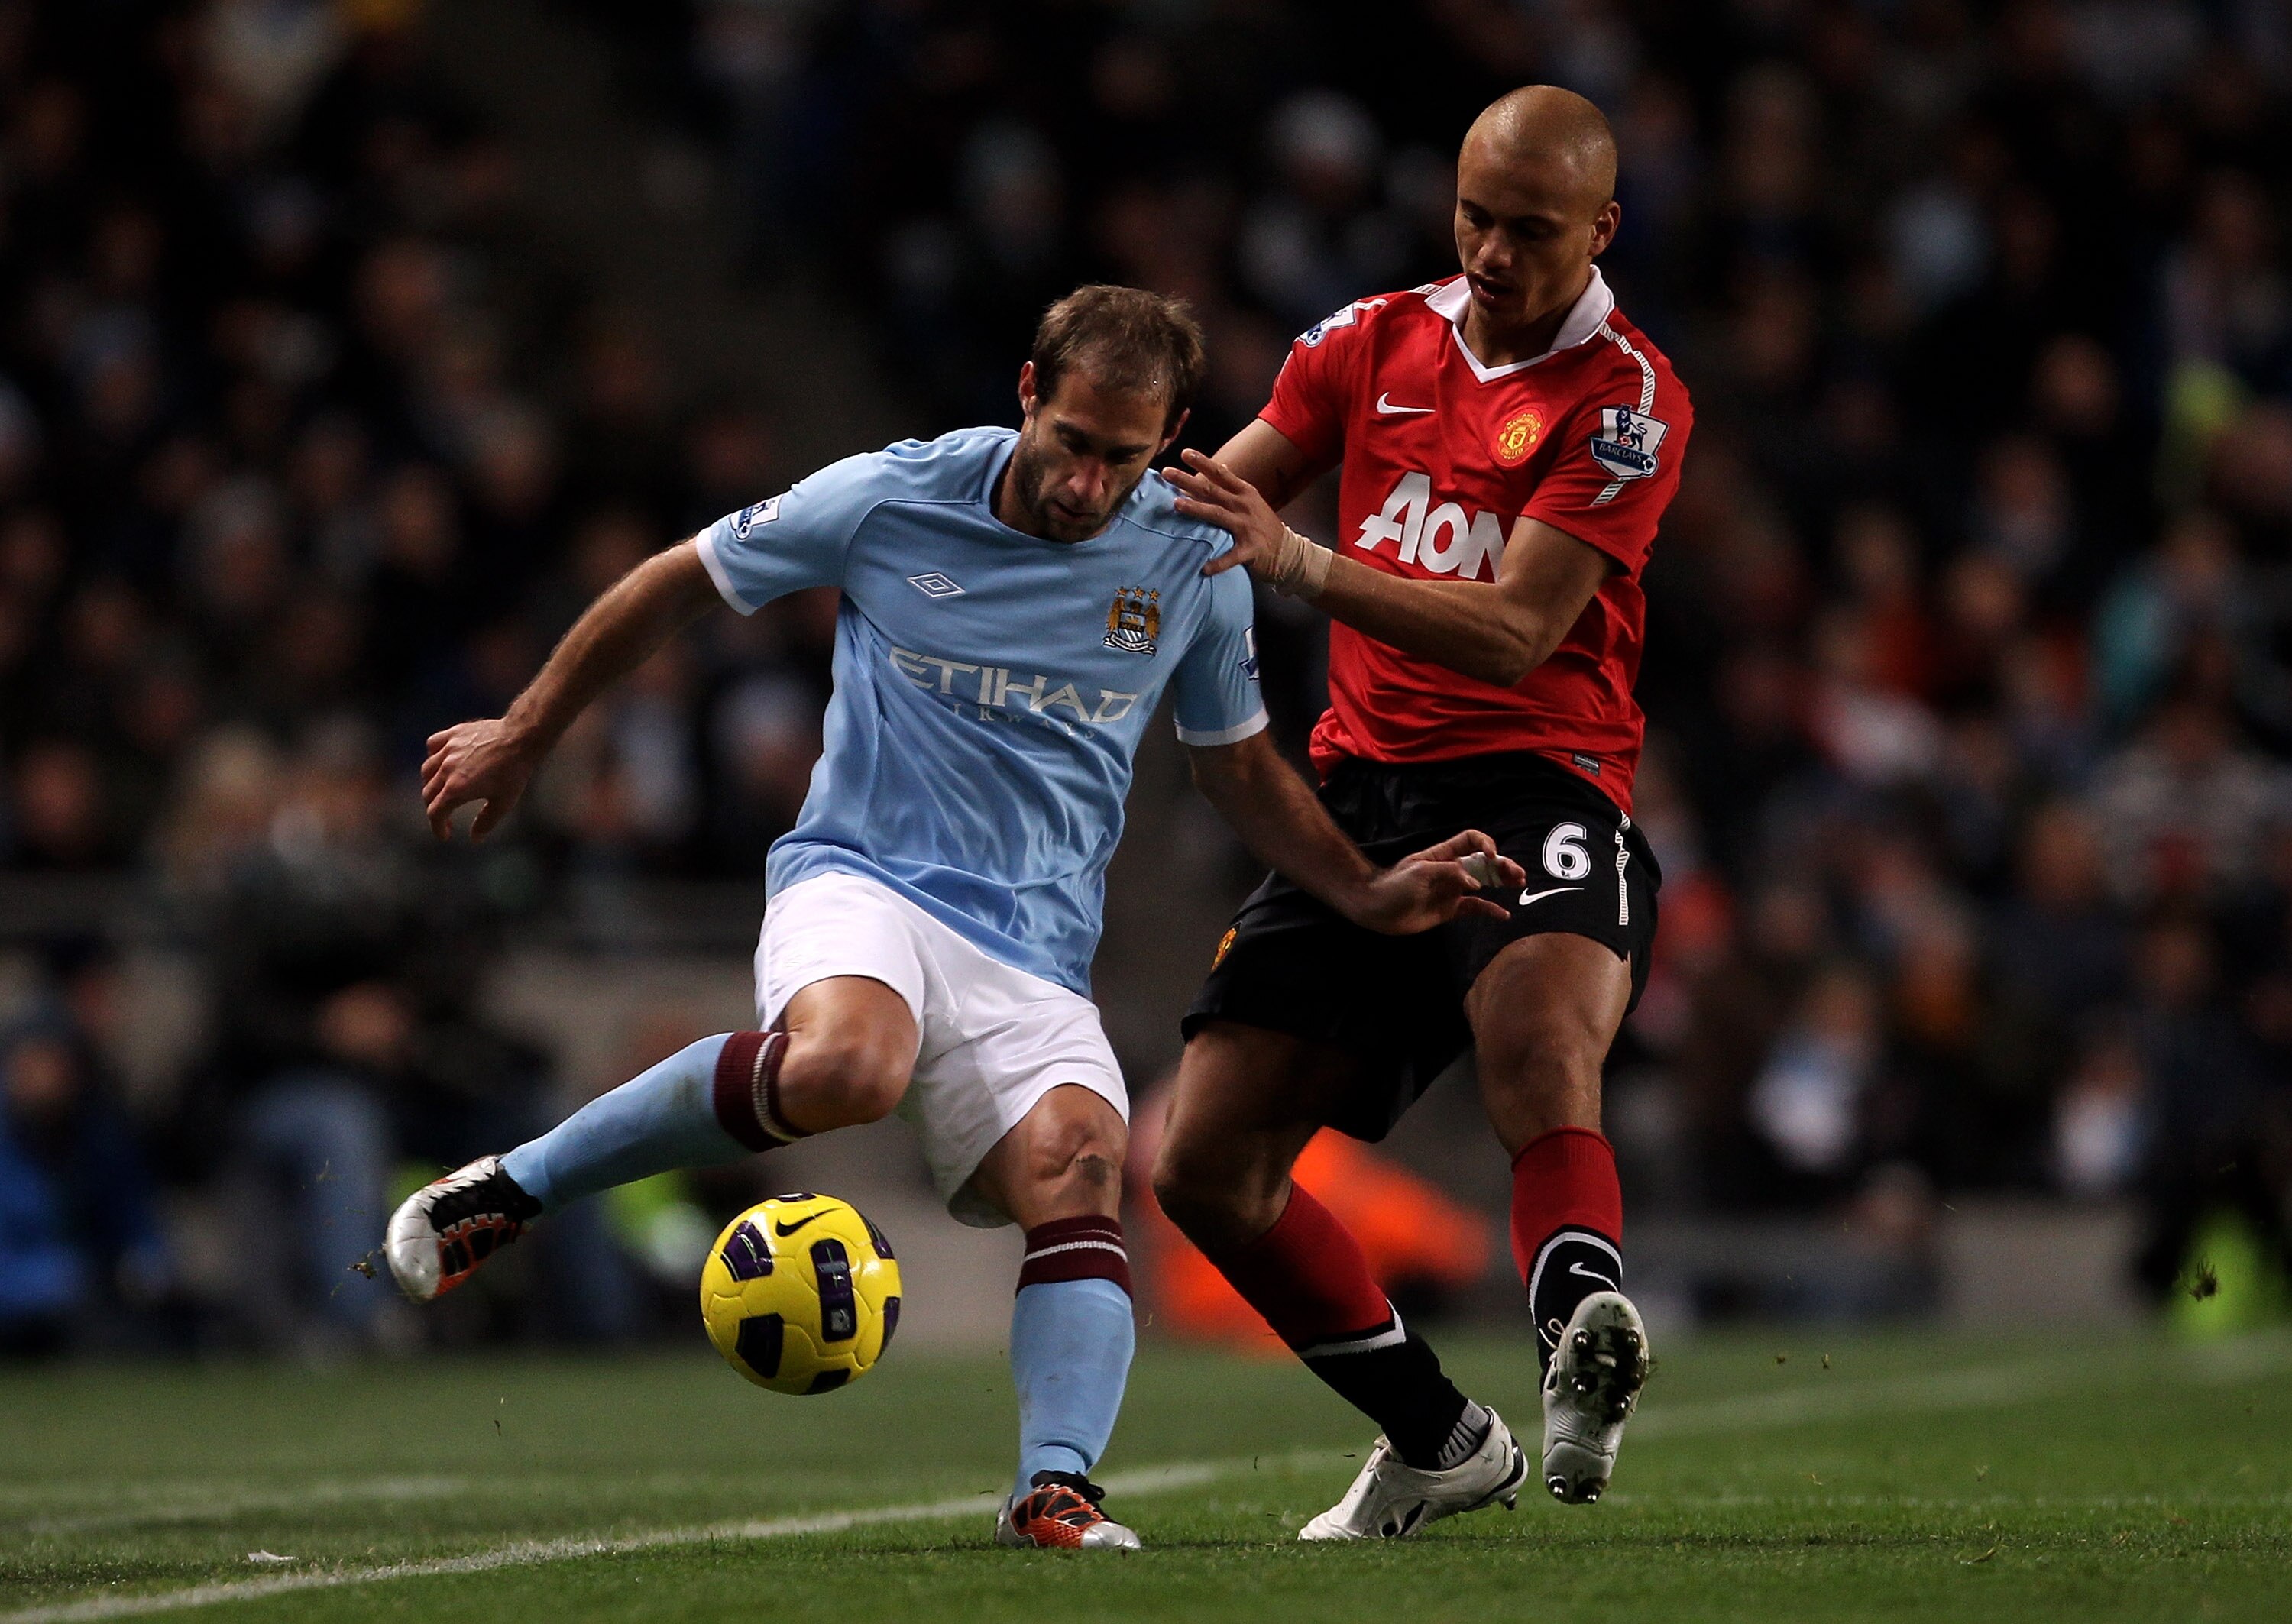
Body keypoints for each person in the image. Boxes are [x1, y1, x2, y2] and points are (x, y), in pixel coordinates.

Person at [390, 286, 1522, 1550]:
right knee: (846, 1067)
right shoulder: (893, 495)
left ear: (1173, 437)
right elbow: (677, 582)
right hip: (861, 881)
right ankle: (514, 1189)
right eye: (1074, 441)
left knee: (1087, 1165)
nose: (1090, 483)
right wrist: (526, 731)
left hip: (1034, 950)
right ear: (1029, 394)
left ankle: (1054, 1487)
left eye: (1125, 456)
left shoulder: (1194, 558)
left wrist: (1365, 887)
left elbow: (1238, 765)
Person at [1150, 85, 1694, 1535]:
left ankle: (1580, 1333)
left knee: (1539, 1035)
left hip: (1541, 774)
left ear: (1602, 229)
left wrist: (1302, 565)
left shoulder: (1630, 400)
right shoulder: (1364, 340)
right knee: (1204, 1166)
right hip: (1355, 793)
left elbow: (1518, 631)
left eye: (1533, 228)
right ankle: (1440, 1439)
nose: (1497, 250)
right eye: (1476, 217)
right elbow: (1211, 509)